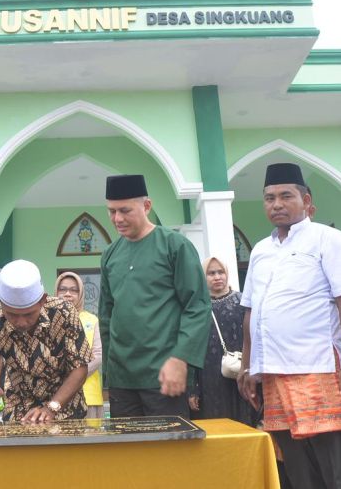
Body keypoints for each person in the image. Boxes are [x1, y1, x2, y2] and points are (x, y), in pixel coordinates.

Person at [237, 163, 341, 489]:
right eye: (269, 198)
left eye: (286, 196)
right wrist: (248, 365)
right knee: (295, 464)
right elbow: (252, 312)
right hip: (273, 373)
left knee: (336, 460)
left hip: (319, 367)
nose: (276, 204)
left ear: (306, 200)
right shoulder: (261, 251)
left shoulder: (328, 239)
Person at [99, 174, 211, 419]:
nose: (117, 218)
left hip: (164, 374)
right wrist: (109, 374)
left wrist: (181, 359)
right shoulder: (110, 255)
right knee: (128, 454)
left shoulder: (174, 245)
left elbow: (197, 306)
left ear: (146, 206)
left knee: (167, 454)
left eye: (125, 210)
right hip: (122, 379)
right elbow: (107, 317)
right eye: (111, 211)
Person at [0, 260, 91, 423]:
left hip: (66, 412)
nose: (21, 322)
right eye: (12, 315)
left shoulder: (64, 313)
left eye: (29, 314)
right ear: (0, 301)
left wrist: (52, 408)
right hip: (18, 415)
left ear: (43, 300)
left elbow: (79, 368)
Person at [189, 255, 255, 426]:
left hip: (240, 373)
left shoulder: (242, 302)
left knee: (245, 424)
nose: (217, 277)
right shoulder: (197, 307)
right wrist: (192, 389)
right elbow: (191, 346)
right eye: (211, 273)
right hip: (209, 379)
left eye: (221, 272)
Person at [55, 271, 104, 418]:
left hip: (88, 395)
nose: (68, 294)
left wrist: (74, 377)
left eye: (74, 290)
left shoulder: (92, 320)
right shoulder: (48, 320)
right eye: (62, 289)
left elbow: (98, 356)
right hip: (55, 397)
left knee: (89, 440)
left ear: (81, 293)